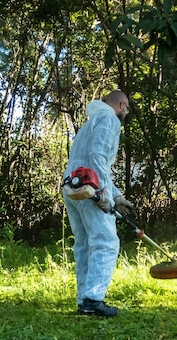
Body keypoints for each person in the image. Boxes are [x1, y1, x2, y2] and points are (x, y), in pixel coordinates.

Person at [62, 90, 135, 317]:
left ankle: (85, 299)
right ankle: (93, 300)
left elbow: (91, 160)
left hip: (72, 186)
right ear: (122, 105)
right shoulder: (109, 119)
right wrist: (103, 191)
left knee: (84, 243)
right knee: (105, 241)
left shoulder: (91, 123)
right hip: (89, 186)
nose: (126, 113)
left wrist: (116, 195)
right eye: (127, 108)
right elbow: (98, 156)